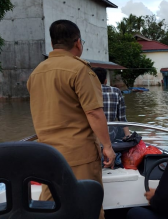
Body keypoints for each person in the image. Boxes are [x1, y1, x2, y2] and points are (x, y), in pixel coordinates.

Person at [27, 20, 115, 219]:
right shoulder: (81, 70)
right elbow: (94, 113)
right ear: (78, 43)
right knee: (87, 207)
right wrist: (107, 146)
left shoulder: (36, 73)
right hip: (79, 155)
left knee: (50, 209)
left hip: (46, 155)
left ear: (53, 44)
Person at [93, 67, 131, 143]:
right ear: (106, 81)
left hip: (91, 138)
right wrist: (128, 136)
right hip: (110, 137)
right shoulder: (116, 91)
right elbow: (122, 118)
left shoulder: (85, 92)